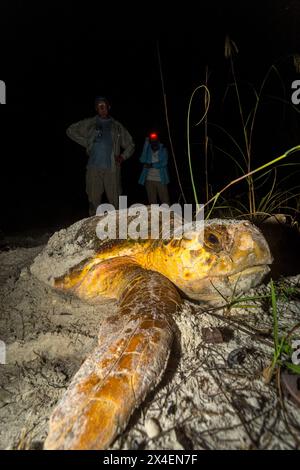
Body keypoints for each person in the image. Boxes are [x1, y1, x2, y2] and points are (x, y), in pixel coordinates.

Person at [66, 96, 135, 215]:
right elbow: (70, 130)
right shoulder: (90, 123)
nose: (102, 108)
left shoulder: (117, 126)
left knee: (116, 201)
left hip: (112, 169)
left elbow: (130, 144)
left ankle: (119, 227)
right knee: (93, 200)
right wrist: (88, 142)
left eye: (103, 105)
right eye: (99, 107)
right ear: (96, 110)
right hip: (93, 168)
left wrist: (123, 156)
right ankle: (94, 229)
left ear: (109, 107)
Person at [138, 132, 170, 205]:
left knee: (165, 201)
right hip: (149, 179)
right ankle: (155, 216)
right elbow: (142, 159)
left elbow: (164, 162)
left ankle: (168, 216)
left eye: (155, 139)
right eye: (151, 139)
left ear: (158, 140)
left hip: (160, 179)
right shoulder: (148, 149)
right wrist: (146, 144)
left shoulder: (163, 150)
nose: (153, 141)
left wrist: (151, 165)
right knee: (152, 203)